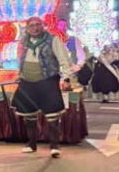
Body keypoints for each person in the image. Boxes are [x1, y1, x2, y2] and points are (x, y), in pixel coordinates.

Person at [12, 17, 76, 158]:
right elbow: (20, 59)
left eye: (38, 25)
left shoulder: (53, 40)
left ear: (43, 26)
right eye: (32, 25)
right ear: (27, 27)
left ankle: (54, 146)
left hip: (47, 80)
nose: (35, 28)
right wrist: (19, 73)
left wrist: (66, 78)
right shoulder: (23, 41)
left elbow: (64, 59)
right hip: (27, 81)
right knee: (29, 114)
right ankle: (31, 144)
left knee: (52, 114)